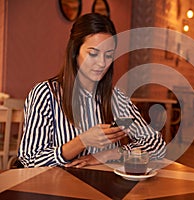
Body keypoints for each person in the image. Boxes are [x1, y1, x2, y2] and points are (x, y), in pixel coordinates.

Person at [18, 13, 166, 168]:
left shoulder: (116, 98)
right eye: (93, 54)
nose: (102, 63)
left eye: (108, 55)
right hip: (59, 188)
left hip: (104, 188)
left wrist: (109, 154)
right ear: (75, 52)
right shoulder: (46, 95)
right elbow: (30, 160)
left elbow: (157, 145)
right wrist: (81, 142)